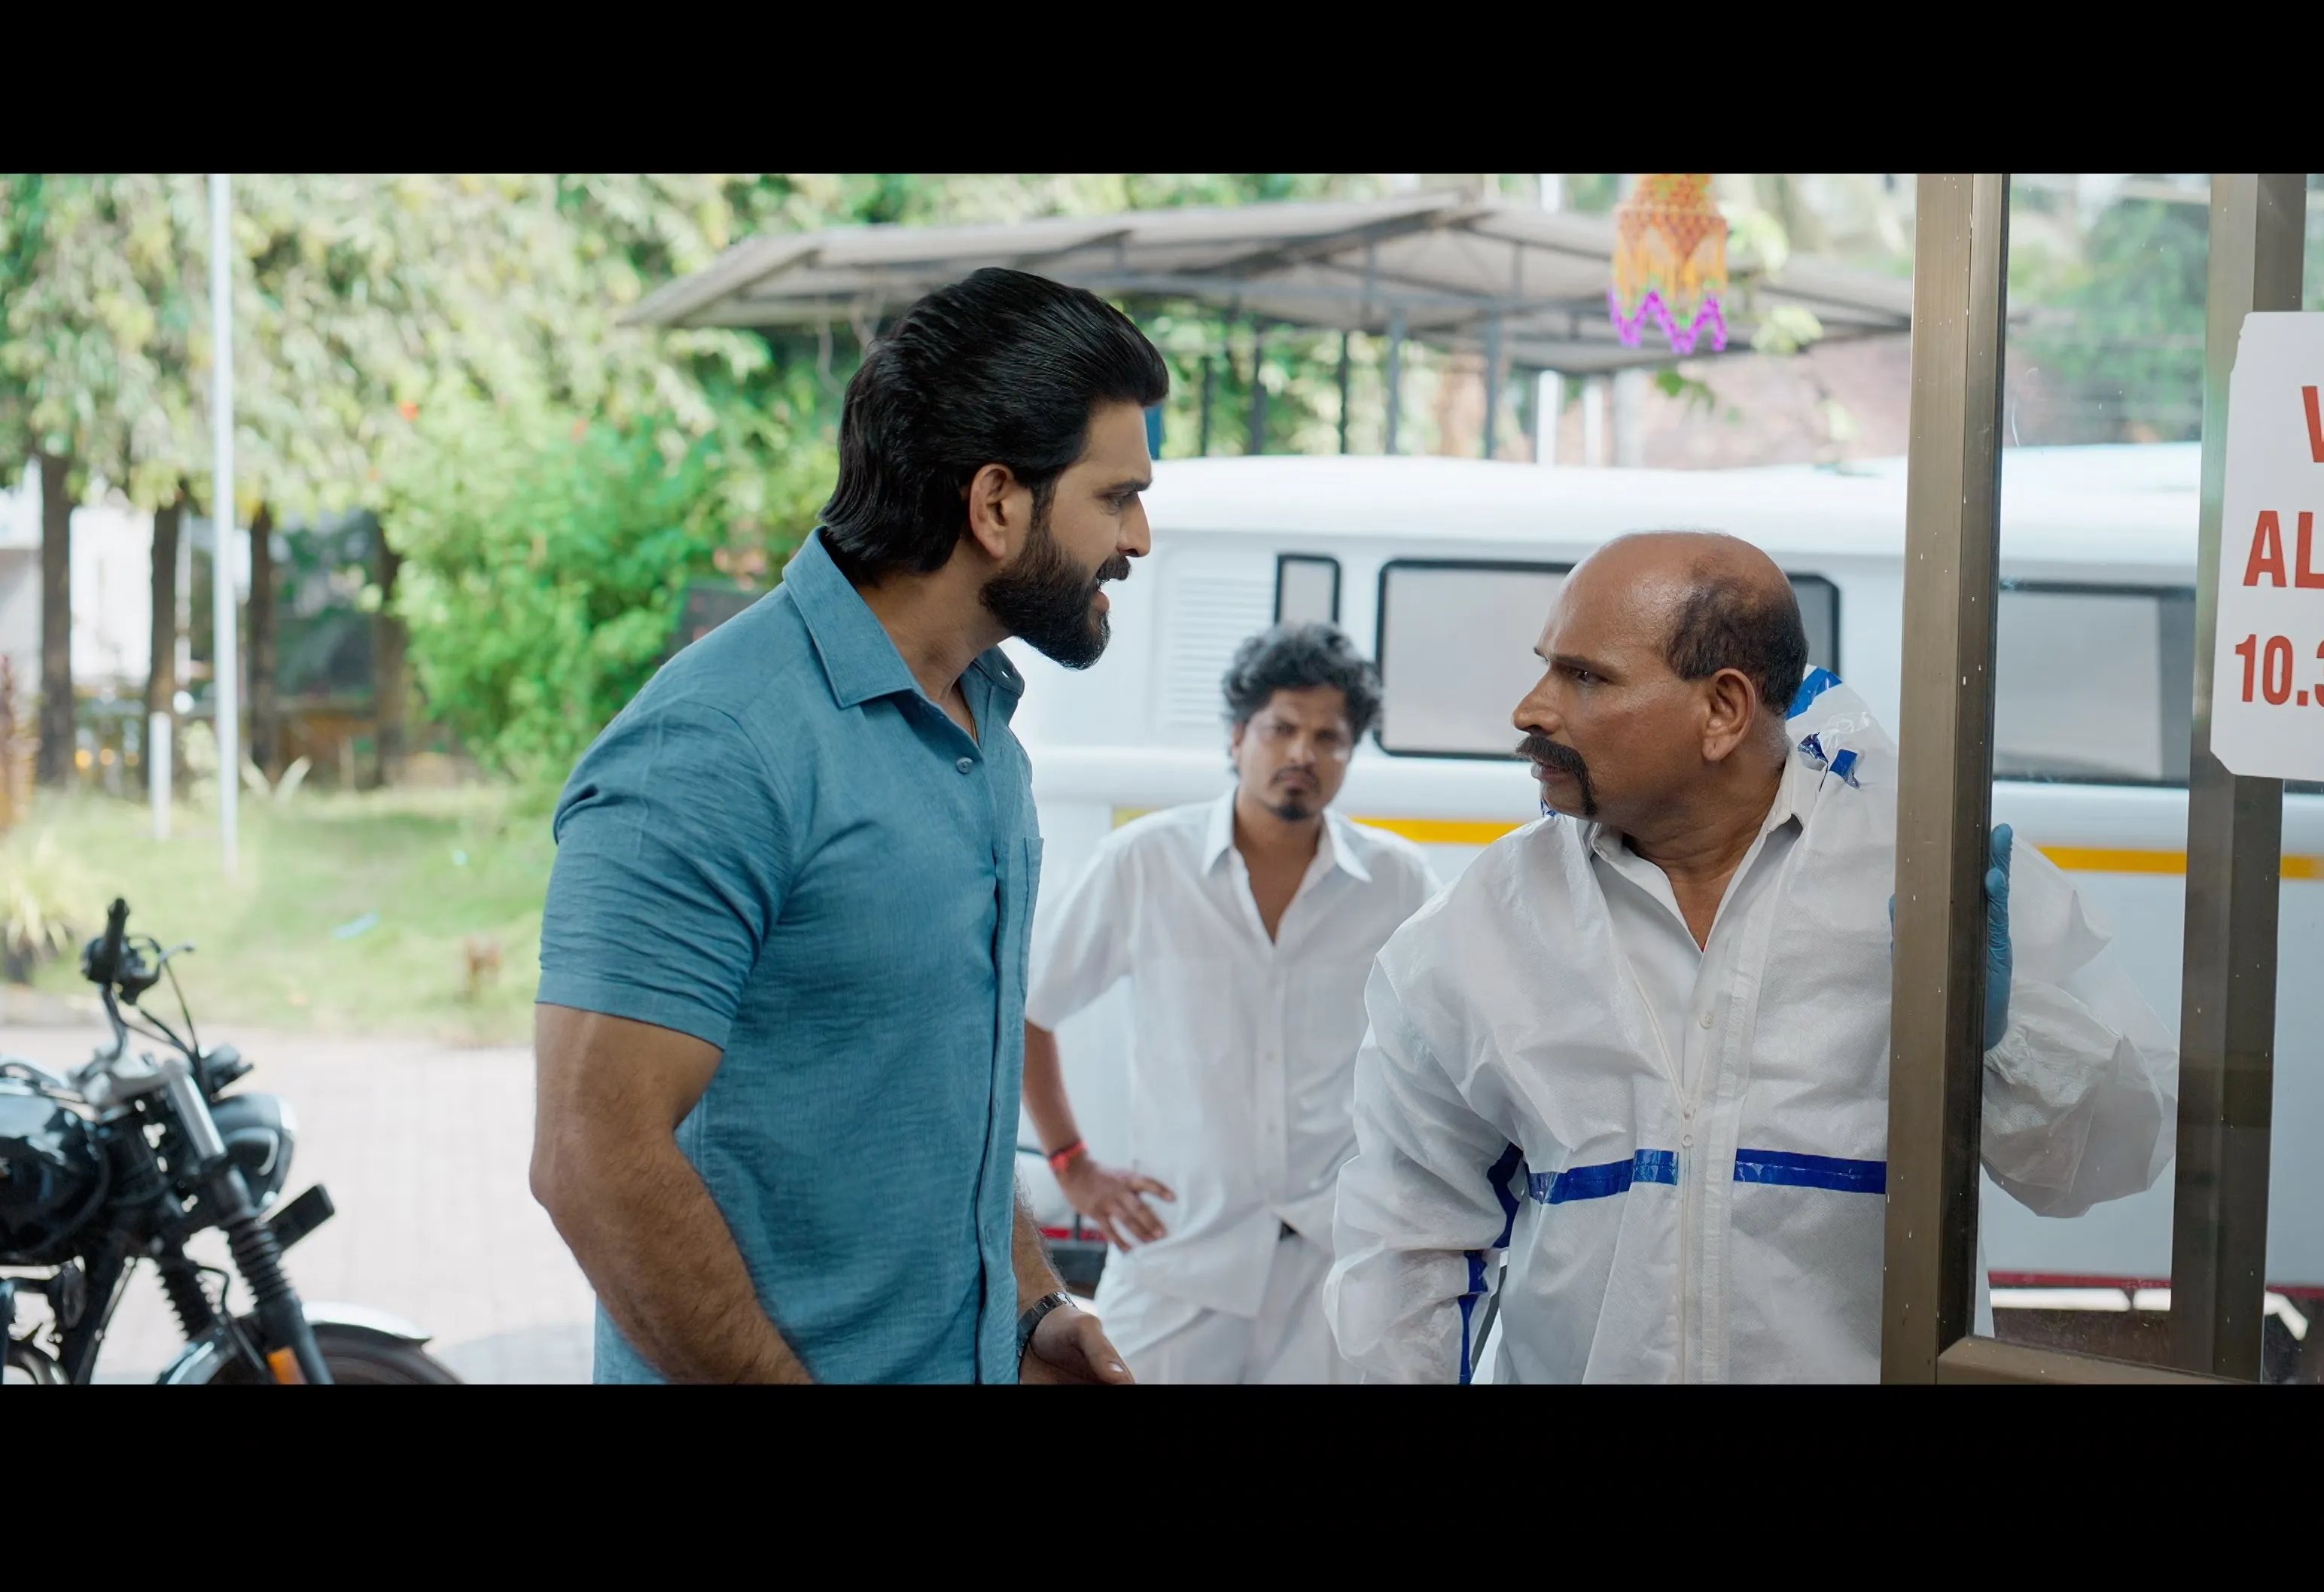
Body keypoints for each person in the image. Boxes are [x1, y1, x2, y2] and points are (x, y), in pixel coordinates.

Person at [1324, 531, 2176, 1383]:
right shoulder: (1479, 929)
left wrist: (2003, 1043)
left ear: (1724, 710)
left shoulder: (1934, 881)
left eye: (1585, 677)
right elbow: (1407, 1242)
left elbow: (2114, 1158)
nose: (1531, 710)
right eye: (1548, 667)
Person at [528, 269, 1168, 1384]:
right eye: (1116, 497)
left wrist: (1028, 1308)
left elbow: (939, 1099)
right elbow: (592, 1157)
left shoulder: (983, 725)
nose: (1141, 538)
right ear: (997, 504)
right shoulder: (716, 746)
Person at [1022, 623, 1442, 1383]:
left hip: (1334, 1266)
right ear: (1238, 736)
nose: (1302, 753)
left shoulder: (1397, 882)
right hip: (1176, 1256)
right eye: (1281, 728)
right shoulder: (1146, 862)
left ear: (1350, 753)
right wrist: (1072, 1165)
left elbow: (1448, 1044)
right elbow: (1027, 1010)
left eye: (1329, 737)